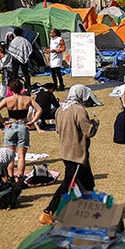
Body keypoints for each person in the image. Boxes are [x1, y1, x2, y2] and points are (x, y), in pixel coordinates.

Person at [41, 85, 99, 224]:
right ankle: (48, 211)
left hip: (66, 151)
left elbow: (58, 130)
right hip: (77, 154)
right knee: (67, 185)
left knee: (88, 183)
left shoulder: (60, 110)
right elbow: (89, 131)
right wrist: (95, 123)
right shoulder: (78, 110)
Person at [0, 80, 42, 182]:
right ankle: (20, 177)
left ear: (10, 89)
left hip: (11, 126)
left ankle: (10, 177)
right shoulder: (27, 99)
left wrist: (3, 121)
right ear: (21, 88)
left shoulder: (7, 100)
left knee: (10, 155)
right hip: (23, 126)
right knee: (21, 155)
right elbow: (39, 110)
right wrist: (32, 121)